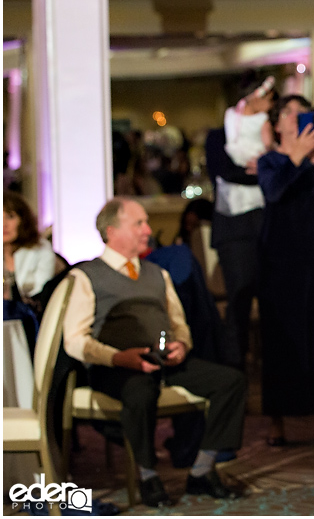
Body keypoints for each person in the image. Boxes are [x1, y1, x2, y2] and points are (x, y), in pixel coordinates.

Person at [61, 198, 246, 507]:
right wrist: (118, 357)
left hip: (164, 361)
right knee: (139, 393)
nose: (148, 229)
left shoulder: (157, 274)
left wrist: (181, 345)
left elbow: (178, 323)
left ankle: (201, 470)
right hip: (116, 367)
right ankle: (148, 475)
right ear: (112, 231)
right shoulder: (85, 276)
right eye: (139, 223)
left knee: (231, 381)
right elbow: (75, 341)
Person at [256, 96, 314, 446]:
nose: (297, 121)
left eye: (302, 114)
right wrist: (295, 155)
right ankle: (278, 421)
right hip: (280, 266)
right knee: (282, 342)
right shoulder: (270, 161)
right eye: (290, 115)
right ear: (278, 124)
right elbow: (273, 191)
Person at [205, 76, 279, 367]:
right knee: (239, 303)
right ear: (252, 97)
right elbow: (225, 173)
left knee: (274, 302)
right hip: (235, 228)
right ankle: (236, 374)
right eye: (269, 97)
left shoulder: (270, 130)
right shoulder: (219, 136)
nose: (272, 103)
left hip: (269, 225)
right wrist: (264, 170)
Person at [3, 191, 58, 315]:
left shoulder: (41, 249)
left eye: (10, 217)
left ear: (23, 220)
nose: (4, 224)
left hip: (32, 318)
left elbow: (40, 291)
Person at [223, 75, 276, 169]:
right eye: (270, 100)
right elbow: (269, 145)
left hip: (239, 164)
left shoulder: (230, 115)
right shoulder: (263, 119)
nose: (271, 105)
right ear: (257, 99)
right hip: (259, 163)